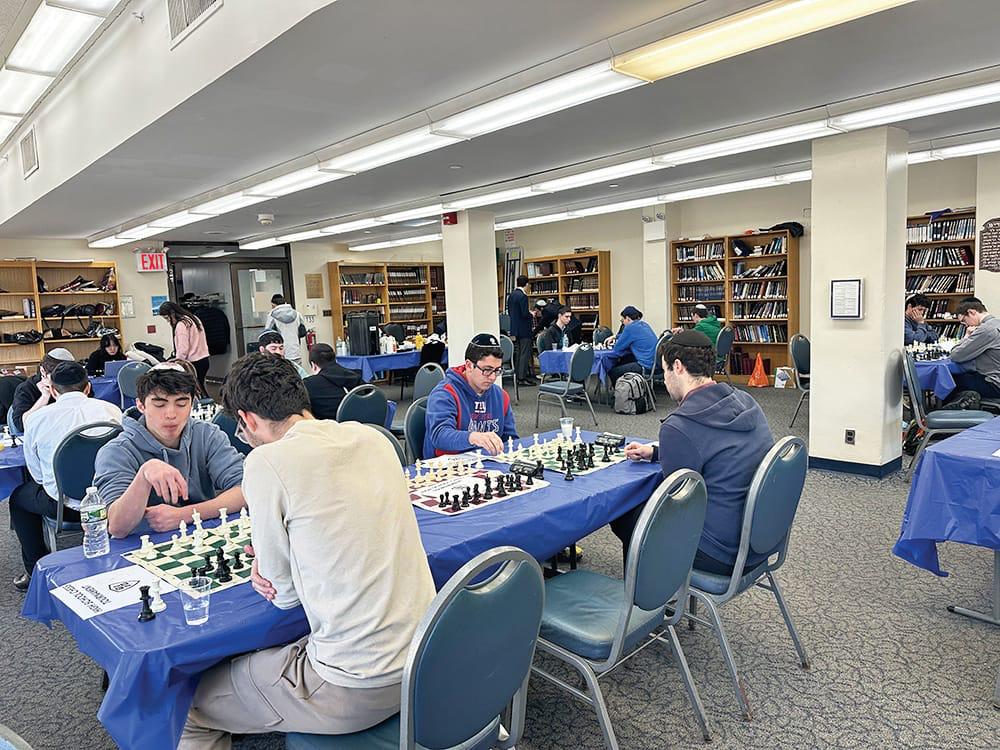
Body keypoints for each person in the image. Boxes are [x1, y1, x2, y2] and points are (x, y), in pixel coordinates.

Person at [180, 353, 435, 748]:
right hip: (427, 655)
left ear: (246, 419)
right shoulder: (372, 438)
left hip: (356, 683)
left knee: (185, 705)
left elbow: (283, 596)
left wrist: (269, 564)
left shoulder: (266, 461)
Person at [609, 331, 775, 574]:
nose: (665, 380)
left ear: (677, 367)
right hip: (759, 539)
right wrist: (656, 452)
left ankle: (643, 595)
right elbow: (716, 447)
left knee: (626, 512)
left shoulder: (680, 425)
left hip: (720, 553)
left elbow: (675, 505)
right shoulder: (745, 401)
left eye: (665, 370)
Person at [95, 363, 245, 538]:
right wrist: (144, 476)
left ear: (192, 404)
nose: (171, 414)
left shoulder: (207, 434)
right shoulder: (117, 451)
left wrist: (184, 515)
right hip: (141, 544)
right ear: (141, 405)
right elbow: (117, 527)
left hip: (202, 535)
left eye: (181, 404)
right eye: (159, 404)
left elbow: (246, 488)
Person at [10, 362, 123, 591]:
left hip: (62, 506)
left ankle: (36, 571)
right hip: (112, 501)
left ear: (52, 390)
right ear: (88, 387)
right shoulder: (111, 411)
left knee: (19, 499)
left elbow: (38, 476)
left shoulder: (37, 419)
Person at [424, 333, 518, 458]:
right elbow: (439, 435)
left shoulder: (501, 396)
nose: (492, 377)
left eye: (497, 370)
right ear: (469, 366)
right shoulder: (445, 393)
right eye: (487, 370)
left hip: (487, 462)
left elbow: (511, 440)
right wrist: (472, 437)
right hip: (447, 464)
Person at [10, 348, 76, 434]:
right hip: (39, 434)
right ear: (42, 371)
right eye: (57, 377)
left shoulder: (76, 381)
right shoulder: (26, 388)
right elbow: (20, 426)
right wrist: (44, 398)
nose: (63, 382)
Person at [949, 300, 1000, 398]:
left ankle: (950, 407)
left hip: (994, 384)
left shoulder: (986, 330)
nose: (966, 325)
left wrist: (967, 336)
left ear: (971, 312)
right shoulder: (997, 323)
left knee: (948, 381)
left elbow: (955, 355)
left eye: (964, 320)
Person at [159, 301, 210, 392]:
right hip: (204, 360)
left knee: (195, 391)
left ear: (172, 313)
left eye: (167, 318)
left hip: (192, 363)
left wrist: (178, 363)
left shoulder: (181, 325)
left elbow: (183, 348)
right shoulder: (194, 319)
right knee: (200, 388)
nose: (168, 321)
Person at [302, 343, 362, 419]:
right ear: (335, 360)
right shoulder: (356, 376)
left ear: (313, 365)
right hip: (361, 423)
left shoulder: (308, 385)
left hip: (329, 425)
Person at [605, 306, 658, 384]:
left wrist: (616, 340)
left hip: (645, 366)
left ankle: (617, 391)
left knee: (613, 372)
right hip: (654, 364)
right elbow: (633, 335)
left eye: (622, 320)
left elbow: (617, 348)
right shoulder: (644, 324)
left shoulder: (630, 328)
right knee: (626, 360)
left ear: (627, 318)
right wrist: (615, 336)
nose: (623, 323)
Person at [506, 275, 536, 385]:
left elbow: (511, 312)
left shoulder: (511, 295)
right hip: (524, 328)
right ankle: (522, 377)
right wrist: (531, 314)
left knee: (519, 353)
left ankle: (518, 375)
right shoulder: (523, 296)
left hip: (515, 328)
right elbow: (524, 314)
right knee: (524, 353)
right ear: (526, 284)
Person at [264, 294, 306, 365]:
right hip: (295, 350)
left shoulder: (272, 316)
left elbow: (268, 334)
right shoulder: (297, 314)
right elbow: (303, 332)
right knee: (296, 370)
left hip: (279, 352)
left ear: (273, 305)